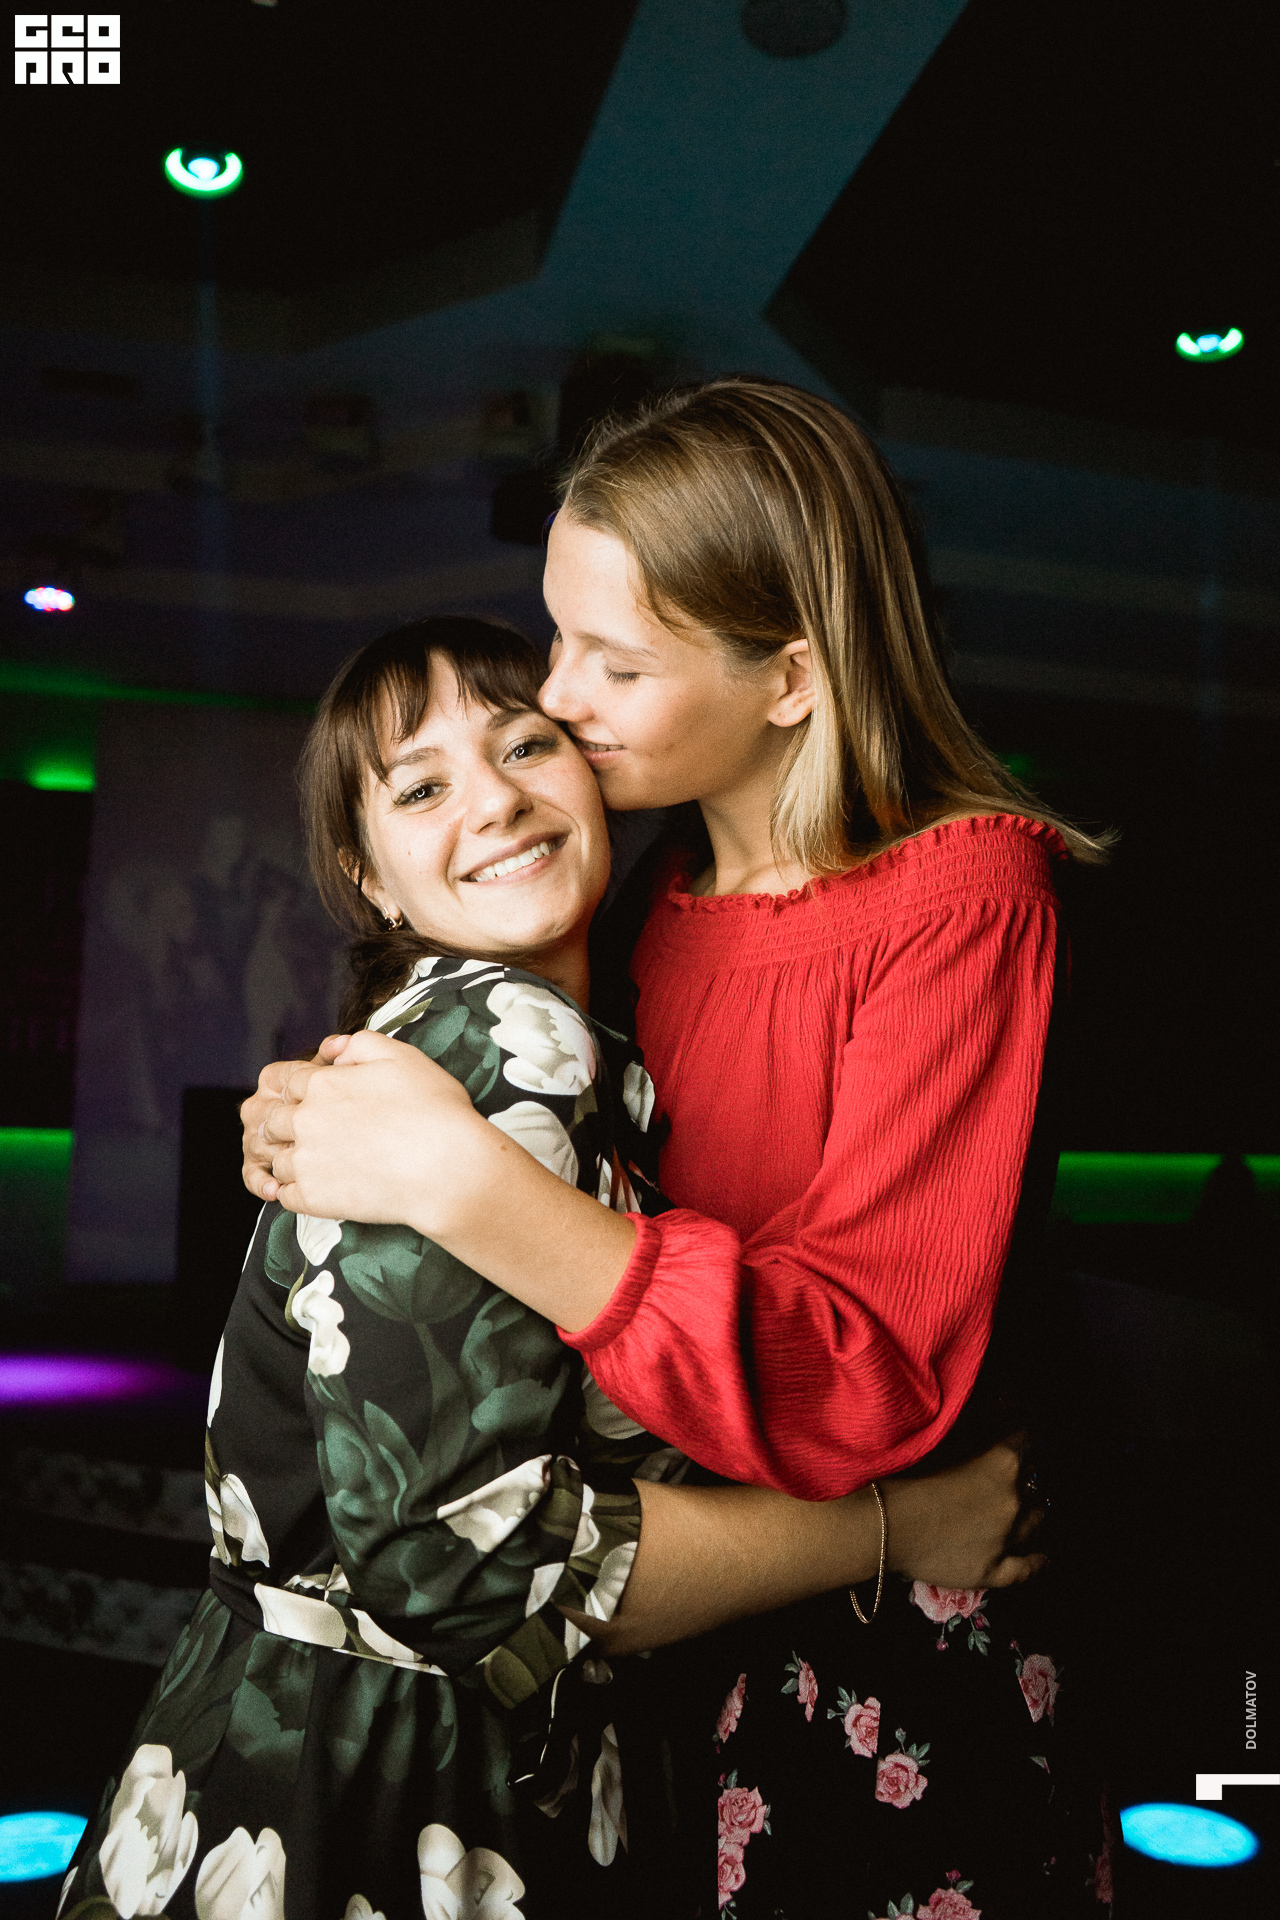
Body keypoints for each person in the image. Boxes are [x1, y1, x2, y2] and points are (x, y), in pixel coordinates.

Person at [244, 379, 1114, 1916]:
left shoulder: (967, 897)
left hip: (879, 1658)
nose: (559, 695)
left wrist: (462, 1185)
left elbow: (858, 1377)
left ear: (791, 675)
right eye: (559, 635)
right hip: (655, 1638)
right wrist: (329, 1103)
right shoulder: (649, 893)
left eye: (619, 662)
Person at [61, 616, 1042, 1920]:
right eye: (422, 789)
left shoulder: (554, 1032)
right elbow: (461, 1557)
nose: (496, 801)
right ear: (369, 875)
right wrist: (893, 1528)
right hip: (374, 1797)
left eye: (526, 745)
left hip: (318, 1753)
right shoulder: (505, 1035)